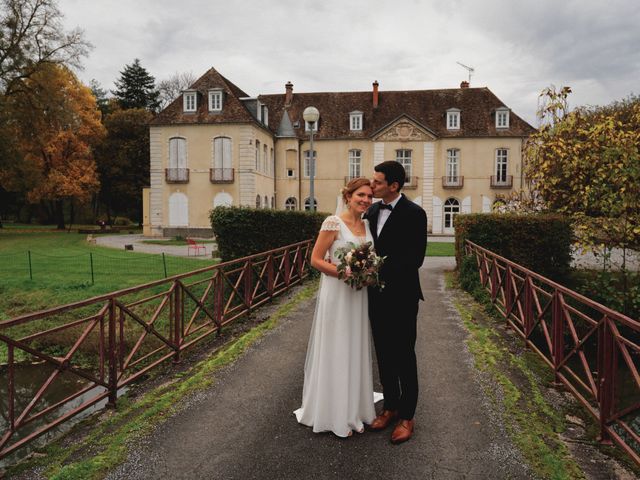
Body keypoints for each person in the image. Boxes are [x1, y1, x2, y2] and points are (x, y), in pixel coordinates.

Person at [294, 178, 377, 437]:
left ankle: (354, 409)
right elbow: (316, 260)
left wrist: (369, 272)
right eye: (361, 195)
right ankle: (334, 413)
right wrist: (346, 274)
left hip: (358, 295)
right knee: (337, 345)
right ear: (348, 196)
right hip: (338, 292)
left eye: (369, 196)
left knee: (354, 345)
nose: (365, 200)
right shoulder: (333, 222)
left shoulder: (366, 223)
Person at [365, 160, 428, 444]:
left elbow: (415, 259)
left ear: (393, 185)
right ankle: (390, 406)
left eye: (377, 182)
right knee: (384, 353)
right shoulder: (372, 210)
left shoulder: (416, 214)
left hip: (402, 296)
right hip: (374, 295)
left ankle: (407, 416)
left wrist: (375, 267)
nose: (372, 185)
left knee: (404, 355)